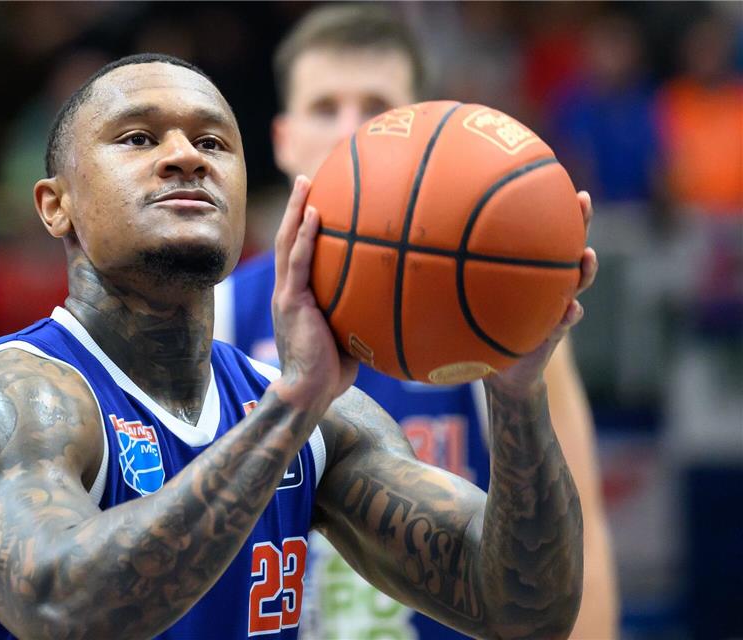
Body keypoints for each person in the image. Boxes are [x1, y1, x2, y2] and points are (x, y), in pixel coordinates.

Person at [0, 52, 594, 639]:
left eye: (214, 142)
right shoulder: (9, 399)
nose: (183, 157)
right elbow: (63, 607)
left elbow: (521, 611)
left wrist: (514, 391)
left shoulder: (314, 422)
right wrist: (291, 406)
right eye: (137, 138)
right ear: (56, 204)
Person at [214, 6, 618, 640]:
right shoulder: (220, 317)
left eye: (376, 110)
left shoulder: (500, 329)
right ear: (284, 138)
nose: (349, 131)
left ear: (424, 133)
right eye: (325, 108)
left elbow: (578, 554)